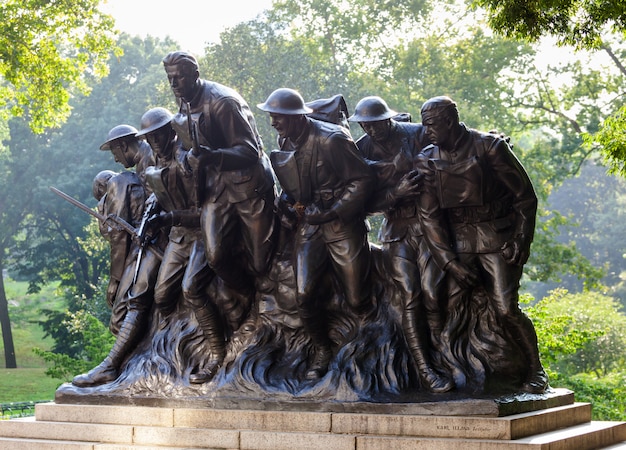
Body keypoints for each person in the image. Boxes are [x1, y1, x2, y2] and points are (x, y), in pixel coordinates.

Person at [416, 96, 548, 394]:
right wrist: (450, 263)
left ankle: (535, 368)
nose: (427, 133)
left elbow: (525, 197)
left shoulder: (489, 148)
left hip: (496, 240)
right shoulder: (426, 158)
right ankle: (452, 368)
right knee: (438, 301)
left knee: (505, 309)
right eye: (424, 126)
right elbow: (429, 217)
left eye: (432, 125)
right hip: (459, 243)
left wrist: (521, 238)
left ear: (450, 121)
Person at [257, 88, 374, 380]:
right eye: (271, 117)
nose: (273, 123)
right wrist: (286, 203)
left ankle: (364, 344)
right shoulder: (285, 140)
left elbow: (362, 181)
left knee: (357, 298)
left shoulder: (332, 139)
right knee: (304, 293)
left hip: (340, 223)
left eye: (277, 118)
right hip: (310, 225)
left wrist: (332, 210)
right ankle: (322, 349)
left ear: (295, 117)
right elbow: (291, 182)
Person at [348, 96, 453, 393]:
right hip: (397, 229)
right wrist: (396, 193)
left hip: (431, 225)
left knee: (433, 293)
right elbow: (364, 204)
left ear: (388, 119)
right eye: (365, 125)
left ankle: (446, 357)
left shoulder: (417, 133)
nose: (370, 130)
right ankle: (425, 368)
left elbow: (454, 142)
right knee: (410, 292)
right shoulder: (361, 150)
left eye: (375, 124)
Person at [162, 51, 277, 300]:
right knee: (215, 257)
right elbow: (183, 141)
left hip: (248, 187)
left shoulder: (222, 102)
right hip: (216, 188)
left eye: (179, 78)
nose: (173, 84)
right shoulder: (184, 97)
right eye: (169, 78)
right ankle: (249, 300)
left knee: (260, 261)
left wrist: (212, 156)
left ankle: (270, 298)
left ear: (195, 75)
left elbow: (250, 151)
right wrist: (184, 159)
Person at [137, 107, 227, 384]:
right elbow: (154, 194)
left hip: (202, 233)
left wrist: (170, 217)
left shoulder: (187, 159)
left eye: (157, 135)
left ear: (169, 131)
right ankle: (179, 348)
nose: (153, 141)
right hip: (178, 236)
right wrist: (151, 217)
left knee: (191, 289)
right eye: (148, 137)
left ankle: (216, 353)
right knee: (162, 295)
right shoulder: (153, 159)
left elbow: (207, 209)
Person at [73, 126, 161, 387]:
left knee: (130, 300)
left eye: (114, 151)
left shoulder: (123, 180)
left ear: (124, 145)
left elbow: (119, 236)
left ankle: (111, 366)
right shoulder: (142, 164)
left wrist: (115, 279)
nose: (114, 159)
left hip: (160, 241)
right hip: (156, 237)